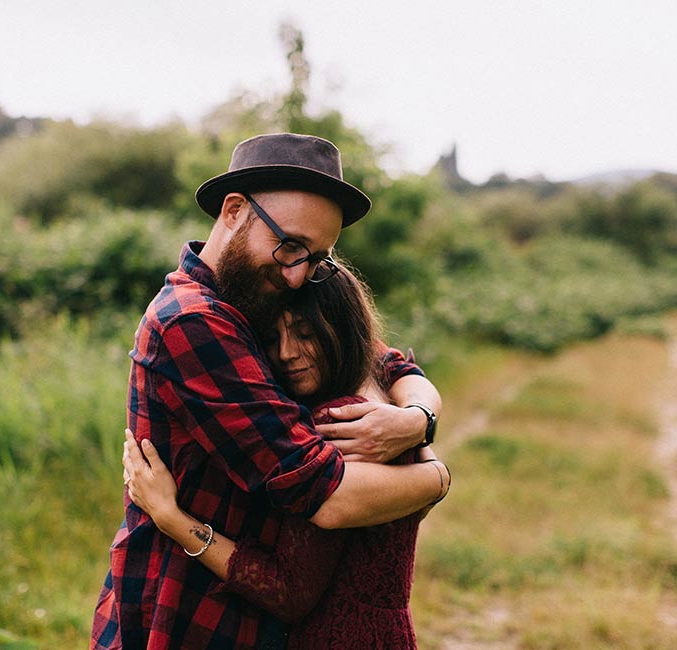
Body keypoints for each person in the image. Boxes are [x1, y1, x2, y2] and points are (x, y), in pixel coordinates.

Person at [90, 133, 446, 650]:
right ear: (234, 211)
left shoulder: (254, 295)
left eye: (318, 258)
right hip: (192, 613)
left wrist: (418, 419)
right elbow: (328, 496)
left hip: (254, 616)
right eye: (291, 245)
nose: (300, 274)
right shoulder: (193, 321)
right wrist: (438, 476)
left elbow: (385, 361)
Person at [122, 262, 449, 648]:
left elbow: (287, 591)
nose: (287, 353)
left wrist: (171, 518)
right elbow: (394, 364)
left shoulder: (339, 424)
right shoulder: (385, 407)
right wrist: (430, 451)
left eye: (305, 334)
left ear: (344, 331)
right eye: (272, 339)